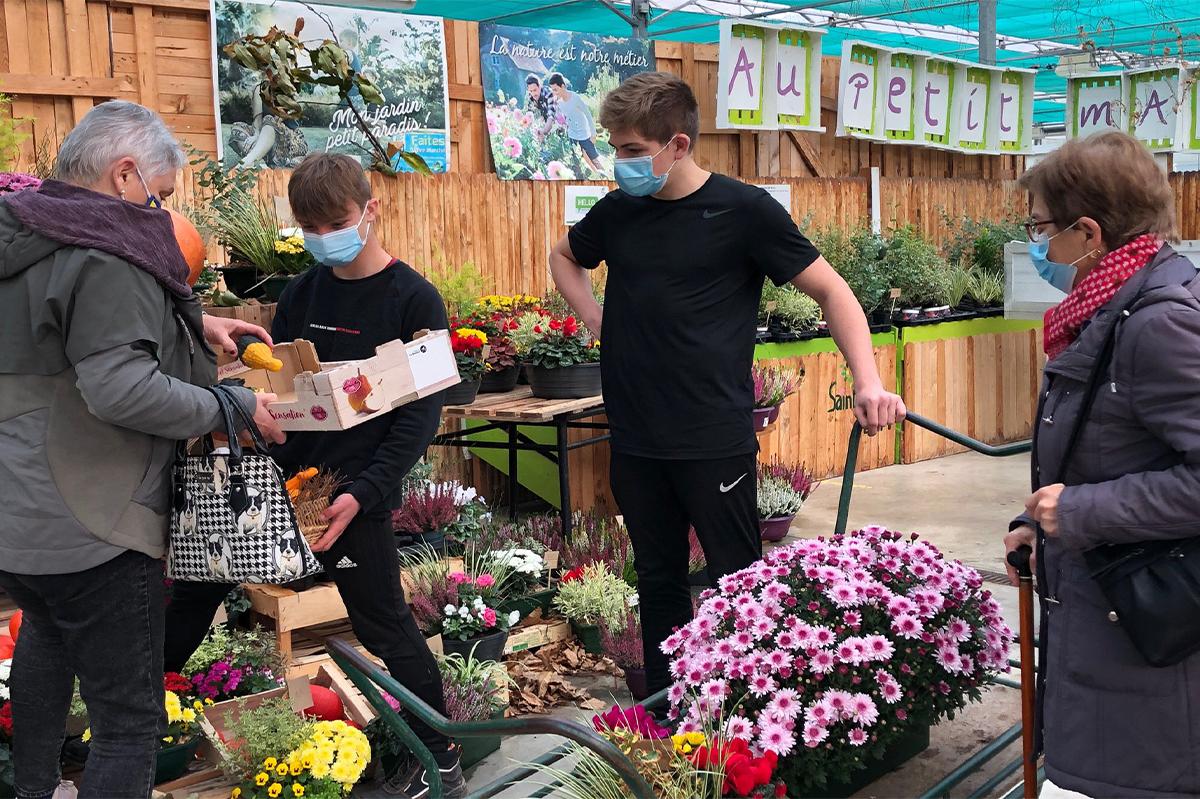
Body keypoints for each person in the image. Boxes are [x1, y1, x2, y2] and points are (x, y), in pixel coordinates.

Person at [549, 72, 906, 696]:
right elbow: (565, 256)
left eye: (633, 150)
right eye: (616, 148)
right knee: (656, 578)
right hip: (635, 432)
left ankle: (751, 707)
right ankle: (665, 711)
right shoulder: (618, 211)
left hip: (712, 435)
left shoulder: (743, 212)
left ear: (678, 145)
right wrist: (597, 319)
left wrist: (869, 381)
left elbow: (833, 291)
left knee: (737, 580)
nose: (620, 163)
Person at [0, 100, 282, 799]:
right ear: (125, 175)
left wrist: (196, 323)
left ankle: (32, 788)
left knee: (47, 630)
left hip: (20, 511)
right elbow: (121, 391)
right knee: (128, 721)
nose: (158, 212)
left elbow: (62, 340)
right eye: (158, 194)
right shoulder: (106, 249)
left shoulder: (25, 227)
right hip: (94, 515)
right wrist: (234, 405)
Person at [164, 154, 464, 798]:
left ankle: (440, 752)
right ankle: (127, 717)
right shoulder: (302, 292)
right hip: (286, 486)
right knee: (195, 589)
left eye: (336, 222)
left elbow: (420, 417)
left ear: (370, 209)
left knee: (383, 622)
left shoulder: (414, 299)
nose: (323, 237)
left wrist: (365, 492)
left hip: (354, 494)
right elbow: (280, 384)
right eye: (310, 226)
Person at [1003, 132, 1200, 799]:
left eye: (1040, 228)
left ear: (1087, 233)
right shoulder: (1110, 309)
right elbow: (1115, 447)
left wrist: (1080, 512)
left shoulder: (1158, 321)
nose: (1037, 246)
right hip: (1104, 620)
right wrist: (1040, 524)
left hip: (1146, 649)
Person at [546, 73, 602, 175]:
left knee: (594, 160)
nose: (554, 93)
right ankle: (587, 177)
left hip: (584, 134)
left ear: (562, 86)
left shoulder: (575, 98)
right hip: (572, 135)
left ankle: (605, 176)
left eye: (555, 89)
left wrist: (593, 134)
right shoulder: (559, 102)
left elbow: (588, 115)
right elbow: (562, 119)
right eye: (552, 90)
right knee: (578, 161)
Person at [524, 74, 557, 141]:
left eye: (535, 90)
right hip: (545, 120)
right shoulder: (530, 96)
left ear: (540, 86)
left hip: (559, 122)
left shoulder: (549, 94)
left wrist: (543, 132)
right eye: (531, 91)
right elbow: (528, 115)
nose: (533, 93)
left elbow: (551, 117)